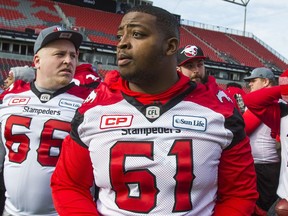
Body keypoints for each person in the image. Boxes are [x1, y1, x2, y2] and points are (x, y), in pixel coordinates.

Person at [51, 5, 258, 216]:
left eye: (137, 34)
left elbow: (239, 194)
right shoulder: (93, 109)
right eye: (120, 36)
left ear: (170, 47)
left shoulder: (219, 111)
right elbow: (69, 184)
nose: (122, 43)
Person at [0, 25, 91, 216]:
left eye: (73, 56)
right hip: (10, 211)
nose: (68, 61)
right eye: (59, 54)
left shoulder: (89, 102)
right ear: (37, 60)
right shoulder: (9, 96)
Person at [244, 69, 288, 216]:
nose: (250, 84)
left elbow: (243, 128)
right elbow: (251, 101)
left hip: (265, 165)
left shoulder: (275, 105)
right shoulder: (280, 107)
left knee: (262, 207)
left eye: (254, 80)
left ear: (266, 81)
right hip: (265, 166)